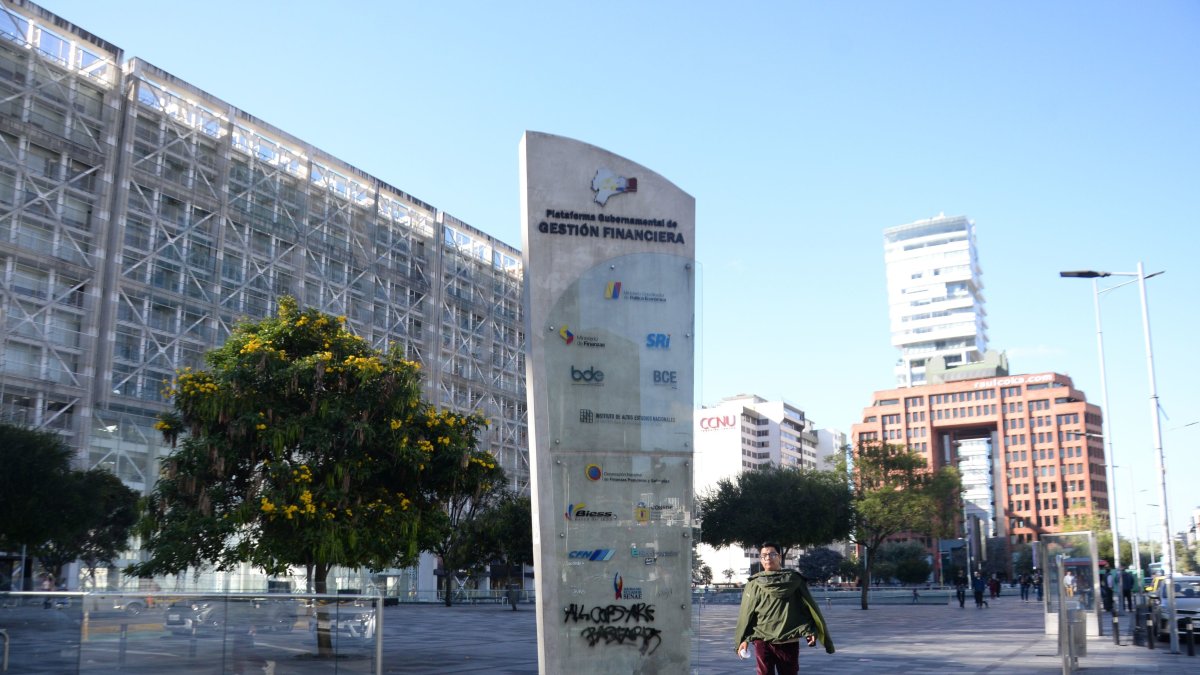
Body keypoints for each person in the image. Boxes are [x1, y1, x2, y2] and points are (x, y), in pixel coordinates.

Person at [734, 543, 834, 675]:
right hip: (762, 640)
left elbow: (808, 608)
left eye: (772, 554)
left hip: (788, 640)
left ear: (779, 557)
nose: (768, 558)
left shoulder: (794, 580)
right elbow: (746, 614)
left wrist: (810, 630)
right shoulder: (754, 583)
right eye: (764, 555)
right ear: (761, 559)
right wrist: (743, 640)